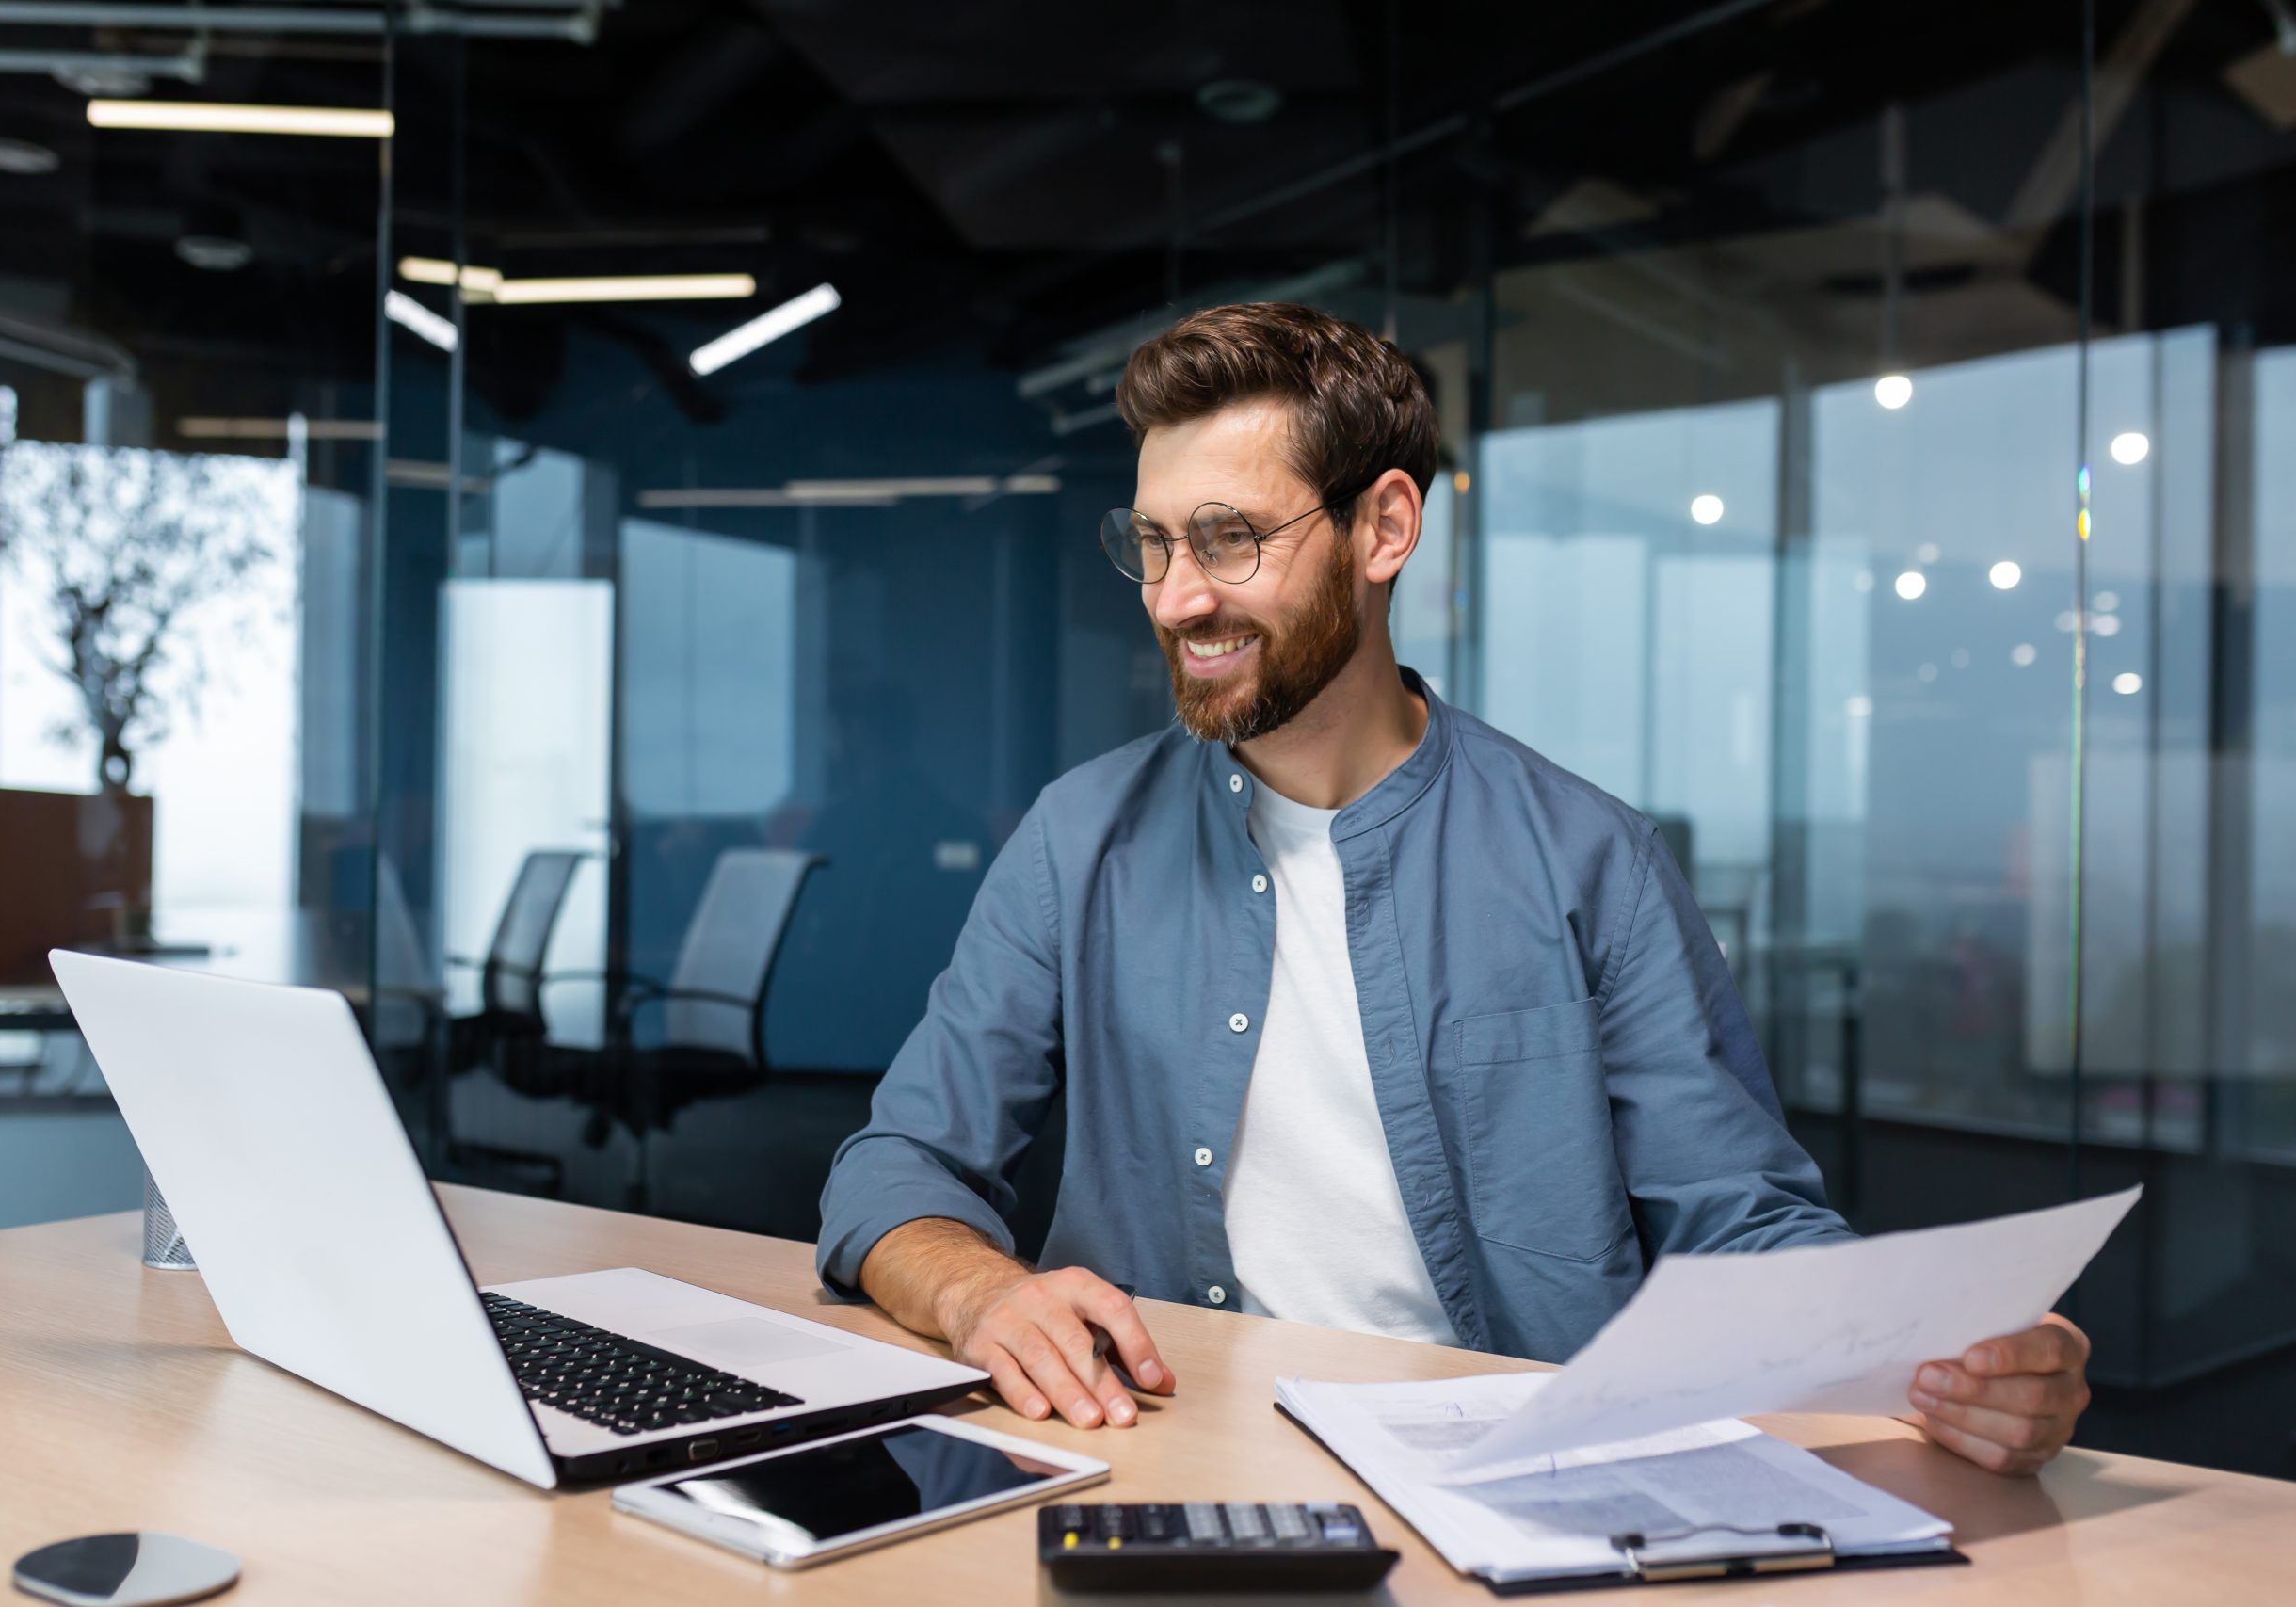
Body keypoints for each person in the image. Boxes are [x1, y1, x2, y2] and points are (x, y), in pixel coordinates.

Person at [817, 302, 2090, 1477]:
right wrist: (982, 1291)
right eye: (1151, 544)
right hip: (1168, 1445)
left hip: (1513, 1479)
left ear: (1385, 528)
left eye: (1229, 540)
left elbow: (1736, 1220)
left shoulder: (1593, 860)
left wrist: (1951, 1356)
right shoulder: (1077, 839)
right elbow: (898, 1167)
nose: (1177, 599)